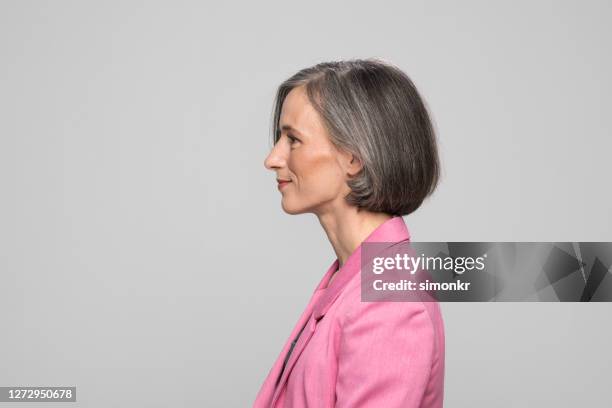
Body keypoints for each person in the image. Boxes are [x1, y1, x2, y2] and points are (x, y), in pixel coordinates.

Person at [255, 59, 445, 407]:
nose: (272, 158)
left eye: (293, 139)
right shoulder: (353, 278)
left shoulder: (389, 302)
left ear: (354, 158)